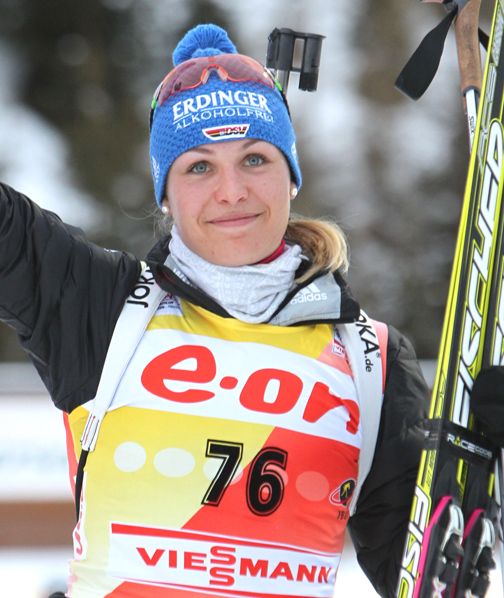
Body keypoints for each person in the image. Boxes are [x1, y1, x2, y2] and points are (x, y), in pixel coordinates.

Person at [0, 23, 429, 598]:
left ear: (291, 177)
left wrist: (480, 471)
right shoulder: (99, 305)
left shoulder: (371, 360)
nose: (231, 191)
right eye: (198, 167)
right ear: (165, 193)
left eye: (254, 159)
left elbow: (429, 571)